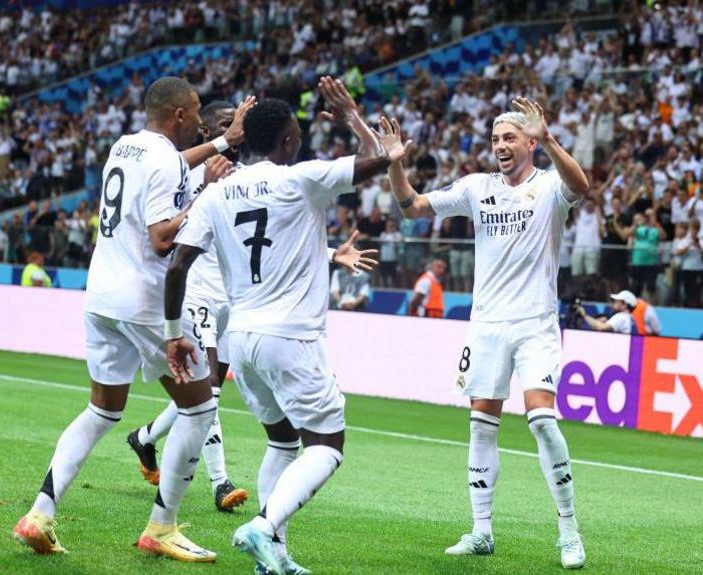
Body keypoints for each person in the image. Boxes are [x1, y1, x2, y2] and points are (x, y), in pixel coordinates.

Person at [163, 78, 401, 575]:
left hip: (242, 341)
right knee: (328, 446)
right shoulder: (301, 178)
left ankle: (274, 556)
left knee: (282, 442)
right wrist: (355, 118)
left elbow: (178, 263)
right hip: (291, 337)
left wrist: (172, 331)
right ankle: (264, 526)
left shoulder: (217, 193)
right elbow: (380, 159)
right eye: (296, 134)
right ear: (289, 141)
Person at [13, 77, 239, 562]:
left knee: (101, 411)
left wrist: (221, 143)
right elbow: (162, 239)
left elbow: (174, 167)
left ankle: (39, 514)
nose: (201, 121)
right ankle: (162, 526)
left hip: (101, 297)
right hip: (143, 301)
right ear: (178, 114)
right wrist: (208, 193)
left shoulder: (126, 146)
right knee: (199, 409)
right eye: (196, 112)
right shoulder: (163, 159)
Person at [381, 97, 589, 569]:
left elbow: (584, 185)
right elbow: (411, 206)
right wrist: (395, 165)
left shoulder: (551, 187)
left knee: (541, 420)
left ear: (531, 143)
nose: (500, 145)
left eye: (510, 138)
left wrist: (554, 139)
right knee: (481, 425)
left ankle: (569, 530)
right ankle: (481, 531)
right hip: (487, 325)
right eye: (496, 139)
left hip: (536, 323)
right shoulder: (476, 188)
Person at [125, 99, 254, 513]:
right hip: (196, 291)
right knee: (209, 394)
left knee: (200, 394)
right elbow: (168, 234)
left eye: (237, 123)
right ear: (206, 132)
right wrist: (206, 187)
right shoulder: (190, 172)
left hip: (230, 300)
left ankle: (145, 437)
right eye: (223, 123)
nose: (234, 129)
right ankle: (221, 482)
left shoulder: (251, 176)